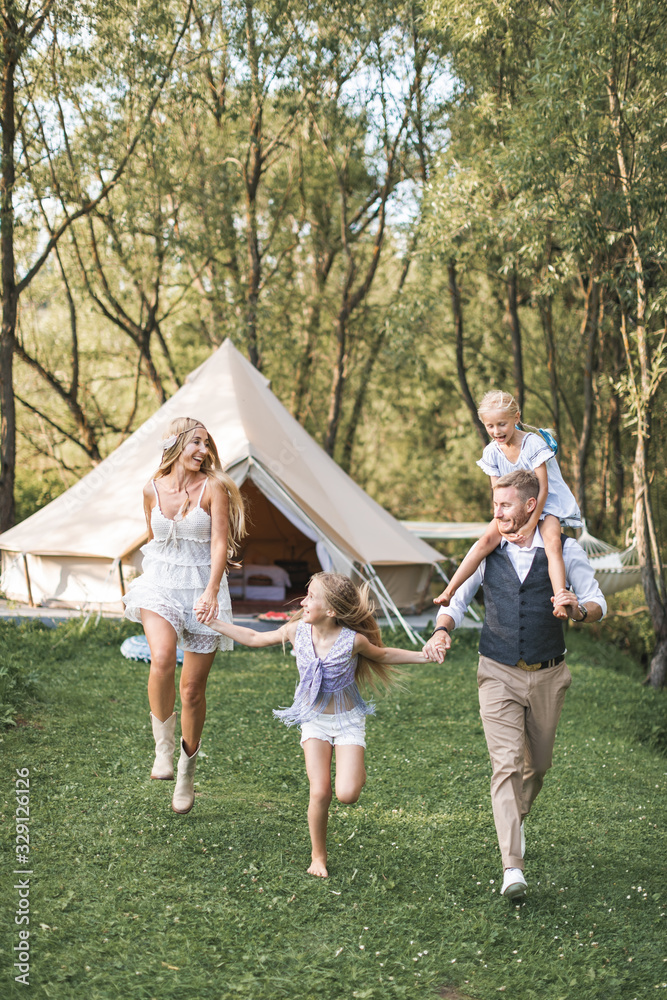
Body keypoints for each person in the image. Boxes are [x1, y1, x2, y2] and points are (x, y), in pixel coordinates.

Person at [424, 469, 606, 901]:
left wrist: (578, 610)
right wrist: (443, 629)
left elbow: (598, 601)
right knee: (505, 764)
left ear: (530, 505)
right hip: (497, 670)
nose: (497, 512)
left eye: (504, 504)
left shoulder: (565, 548)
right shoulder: (488, 548)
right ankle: (512, 866)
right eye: (494, 504)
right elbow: (459, 596)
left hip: (549, 673)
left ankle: (512, 820)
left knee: (536, 766)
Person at [196, 572, 436, 878]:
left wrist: (424, 656)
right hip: (313, 719)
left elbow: (384, 654)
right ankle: (318, 856)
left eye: (311, 597)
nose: (303, 601)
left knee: (347, 794)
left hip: (348, 720)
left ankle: (355, 770)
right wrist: (213, 623)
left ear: (331, 611)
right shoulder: (296, 632)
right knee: (320, 791)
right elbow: (256, 638)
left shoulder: (354, 641)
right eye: (306, 594)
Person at [123, 416, 245, 815]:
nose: (204, 451)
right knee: (161, 656)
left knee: (192, 691)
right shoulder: (150, 489)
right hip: (159, 581)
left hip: (202, 589)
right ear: (174, 444)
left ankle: (186, 770)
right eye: (196, 442)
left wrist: (211, 592)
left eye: (207, 444)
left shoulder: (215, 488)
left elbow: (219, 544)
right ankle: (162, 749)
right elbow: (156, 541)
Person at [434, 390, 582, 619]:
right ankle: (450, 590)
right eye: (490, 426)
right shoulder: (492, 451)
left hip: (545, 502)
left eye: (501, 424)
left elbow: (543, 488)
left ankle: (560, 598)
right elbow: (497, 492)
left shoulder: (532, 444)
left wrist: (532, 523)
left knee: (552, 542)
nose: (496, 431)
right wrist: (501, 522)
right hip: (512, 505)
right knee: (484, 541)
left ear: (516, 417)